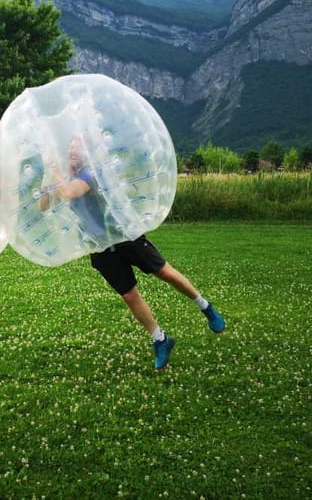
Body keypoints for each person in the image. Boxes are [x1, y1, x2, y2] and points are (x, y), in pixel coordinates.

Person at [39, 138, 224, 370]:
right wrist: (49, 178)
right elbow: (43, 206)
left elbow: (71, 192)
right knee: (128, 295)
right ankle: (161, 339)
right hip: (100, 246)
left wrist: (54, 172)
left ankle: (205, 306)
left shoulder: (91, 173)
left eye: (78, 146)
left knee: (163, 272)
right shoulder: (63, 178)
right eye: (70, 147)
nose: (72, 150)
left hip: (125, 235)